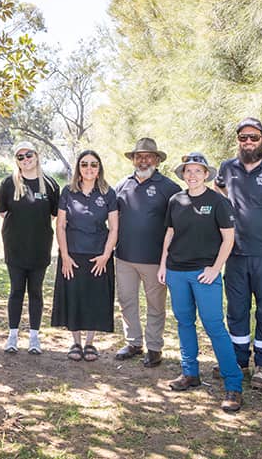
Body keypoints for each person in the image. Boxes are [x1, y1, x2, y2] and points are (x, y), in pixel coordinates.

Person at [157, 152, 242, 412]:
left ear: (207, 174)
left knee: (214, 325)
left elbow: (228, 239)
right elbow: (169, 233)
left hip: (204, 274)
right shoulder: (175, 200)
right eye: (188, 171)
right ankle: (190, 374)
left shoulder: (218, 202)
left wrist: (216, 269)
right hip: (176, 272)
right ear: (183, 174)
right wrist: (163, 264)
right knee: (184, 323)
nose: (192, 175)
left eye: (197, 171)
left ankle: (234, 385)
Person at [214, 117, 262, 389]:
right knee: (236, 309)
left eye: (253, 137)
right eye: (243, 137)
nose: (248, 142)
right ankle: (237, 361)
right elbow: (219, 195)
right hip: (234, 254)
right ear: (237, 140)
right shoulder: (227, 168)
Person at [113, 138, 180, 367]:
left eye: (148, 156)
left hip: (154, 260)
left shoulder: (170, 188)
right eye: (139, 156)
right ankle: (133, 342)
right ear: (133, 159)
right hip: (124, 257)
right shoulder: (122, 185)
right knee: (127, 300)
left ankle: (154, 348)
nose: (143, 161)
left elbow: (178, 224)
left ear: (157, 159)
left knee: (155, 304)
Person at [52, 150, 118, 362]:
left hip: (98, 256)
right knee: (75, 297)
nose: (89, 168)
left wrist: (106, 255)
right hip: (72, 254)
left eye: (93, 164)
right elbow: (60, 225)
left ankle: (90, 343)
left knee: (95, 299)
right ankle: (76, 342)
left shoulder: (108, 193)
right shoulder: (68, 192)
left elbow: (114, 228)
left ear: (99, 169)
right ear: (78, 168)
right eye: (84, 164)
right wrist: (65, 255)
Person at [0, 141, 59, 355]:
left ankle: (34, 337)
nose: (25, 159)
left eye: (28, 155)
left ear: (37, 155)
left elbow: (52, 214)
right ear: (17, 161)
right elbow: (3, 212)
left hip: (40, 247)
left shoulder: (50, 184)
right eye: (20, 157)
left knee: (35, 292)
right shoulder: (8, 183)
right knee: (16, 291)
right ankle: (12, 335)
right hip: (15, 247)